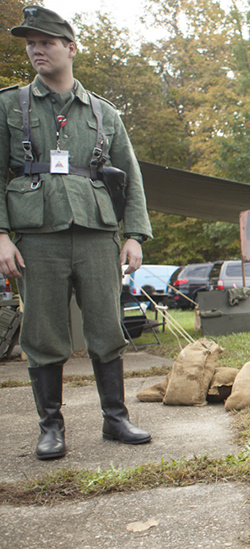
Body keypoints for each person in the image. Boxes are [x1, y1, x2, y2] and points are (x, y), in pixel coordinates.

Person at [0, 7, 153, 460]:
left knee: (106, 326)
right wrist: (1, 235)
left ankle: (115, 418)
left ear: (70, 48)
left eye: (46, 42)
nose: (36, 50)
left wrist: (134, 235)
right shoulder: (9, 105)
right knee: (43, 331)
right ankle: (51, 427)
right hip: (37, 234)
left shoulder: (104, 112)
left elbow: (131, 175)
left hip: (96, 233)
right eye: (30, 43)